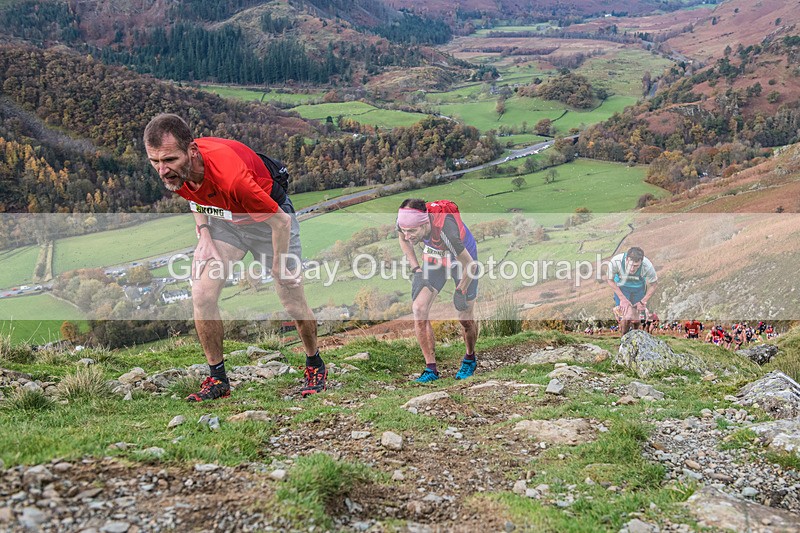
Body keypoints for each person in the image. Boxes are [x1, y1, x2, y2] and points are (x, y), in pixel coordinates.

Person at [143, 113, 326, 401]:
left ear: (192, 152)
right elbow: (195, 196)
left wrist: (278, 266)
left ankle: (315, 363)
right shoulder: (181, 169)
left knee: (291, 298)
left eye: (169, 161)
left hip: (269, 222)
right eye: (155, 162)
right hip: (228, 222)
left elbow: (281, 222)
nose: (162, 170)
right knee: (202, 294)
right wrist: (203, 234)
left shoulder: (231, 177)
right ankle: (218, 380)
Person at [396, 199, 479, 383]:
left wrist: (461, 291)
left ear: (425, 224)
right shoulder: (405, 221)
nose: (408, 235)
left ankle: (470, 358)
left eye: (412, 231)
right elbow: (402, 239)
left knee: (464, 317)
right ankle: (431, 368)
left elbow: (470, 266)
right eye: (405, 230)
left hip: (463, 260)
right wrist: (417, 269)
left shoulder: (446, 230)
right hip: (435, 256)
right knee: (419, 308)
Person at [606, 246, 658, 335]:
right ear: (626, 259)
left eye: (636, 266)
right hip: (622, 288)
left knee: (636, 319)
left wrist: (643, 301)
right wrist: (622, 299)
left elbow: (654, 284)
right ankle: (624, 339)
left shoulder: (647, 265)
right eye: (630, 265)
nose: (632, 269)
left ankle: (635, 337)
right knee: (627, 316)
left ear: (641, 262)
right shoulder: (616, 261)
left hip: (638, 289)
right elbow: (610, 280)